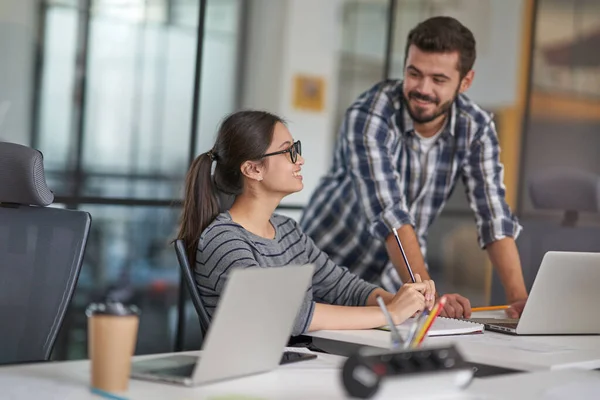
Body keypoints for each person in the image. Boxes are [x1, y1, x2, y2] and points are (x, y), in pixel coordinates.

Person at [299, 16, 528, 319]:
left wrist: (519, 301)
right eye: (414, 73)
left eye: (438, 79)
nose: (422, 88)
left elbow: (494, 216)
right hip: (326, 269)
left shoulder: (475, 127)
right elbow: (391, 216)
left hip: (396, 282)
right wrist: (430, 297)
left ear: (466, 81)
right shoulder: (370, 114)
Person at [176, 110, 436, 336]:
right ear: (253, 169)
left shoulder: (288, 230)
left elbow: (343, 287)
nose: (300, 160)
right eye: (289, 151)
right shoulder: (224, 239)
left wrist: (403, 301)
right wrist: (390, 313)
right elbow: (287, 315)